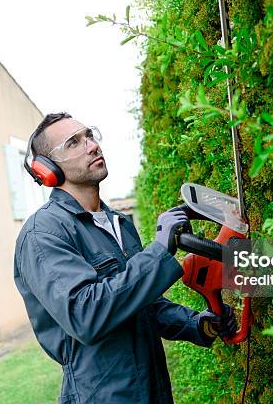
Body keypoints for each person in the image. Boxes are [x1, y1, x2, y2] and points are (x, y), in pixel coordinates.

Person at [13, 112, 237, 404]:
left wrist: (199, 323)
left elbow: (142, 303)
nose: (92, 146)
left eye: (90, 135)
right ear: (48, 169)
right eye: (73, 143)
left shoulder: (118, 223)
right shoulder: (43, 233)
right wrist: (158, 252)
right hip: (103, 394)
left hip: (153, 388)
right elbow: (85, 315)